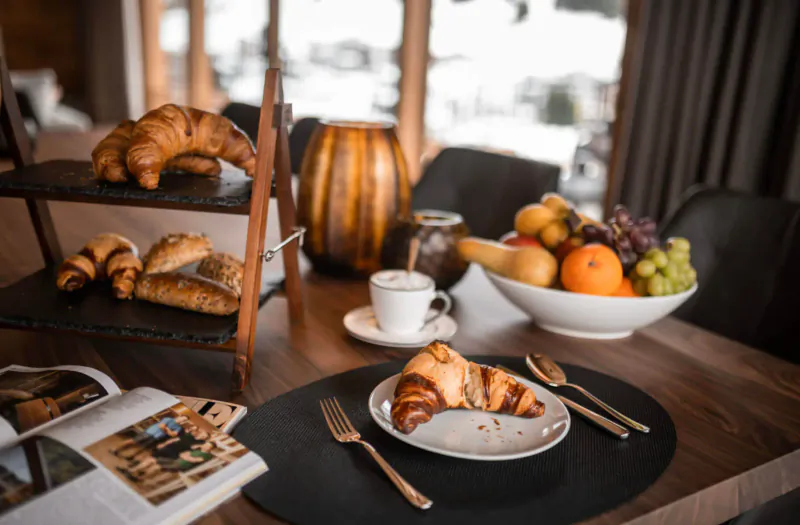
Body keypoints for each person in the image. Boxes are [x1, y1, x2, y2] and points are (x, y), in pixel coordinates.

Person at [111, 415, 188, 460]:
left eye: (184, 421)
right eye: (183, 418)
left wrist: (166, 429)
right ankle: (115, 449)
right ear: (179, 416)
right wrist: (168, 430)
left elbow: (173, 435)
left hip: (156, 437)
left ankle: (127, 455)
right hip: (149, 432)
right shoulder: (168, 419)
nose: (182, 421)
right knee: (132, 441)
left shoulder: (179, 427)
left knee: (140, 447)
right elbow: (161, 426)